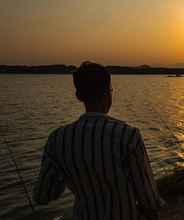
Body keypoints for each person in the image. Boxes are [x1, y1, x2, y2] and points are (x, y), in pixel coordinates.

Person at [33, 61, 164, 220]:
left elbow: (42, 195)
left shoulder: (57, 139)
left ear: (79, 96)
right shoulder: (128, 135)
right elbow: (148, 198)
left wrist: (67, 171)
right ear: (109, 91)